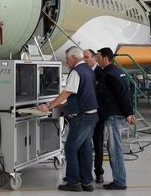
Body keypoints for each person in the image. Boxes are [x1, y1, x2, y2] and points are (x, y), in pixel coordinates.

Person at [38, 46, 99, 192]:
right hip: (92, 115)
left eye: (67, 59)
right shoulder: (89, 71)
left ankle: (73, 182)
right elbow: (78, 95)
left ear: (73, 57)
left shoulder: (76, 72)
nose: (66, 62)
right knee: (85, 149)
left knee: (70, 147)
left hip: (83, 117)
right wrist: (62, 106)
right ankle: (87, 182)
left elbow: (66, 93)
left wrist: (49, 106)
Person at [96, 47, 136, 190]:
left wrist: (128, 114)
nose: (96, 59)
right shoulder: (118, 72)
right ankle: (119, 179)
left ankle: (119, 181)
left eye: (98, 57)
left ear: (105, 58)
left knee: (115, 150)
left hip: (113, 116)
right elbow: (127, 92)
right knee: (113, 148)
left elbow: (122, 95)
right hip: (117, 114)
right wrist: (129, 113)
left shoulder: (109, 75)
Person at [83, 49, 104, 184]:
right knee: (84, 144)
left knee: (98, 144)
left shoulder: (101, 73)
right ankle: (85, 173)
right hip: (85, 114)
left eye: (87, 57)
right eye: (83, 58)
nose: (84, 60)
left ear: (94, 58)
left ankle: (98, 172)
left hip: (98, 114)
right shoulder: (84, 71)